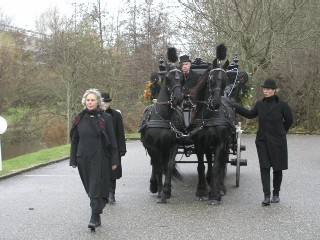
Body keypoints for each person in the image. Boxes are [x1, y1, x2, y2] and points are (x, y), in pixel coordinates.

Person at [229, 78, 293, 206]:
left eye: (268, 89)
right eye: (264, 89)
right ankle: (266, 196)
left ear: (275, 90)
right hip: (262, 140)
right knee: (264, 168)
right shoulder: (260, 104)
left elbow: (289, 121)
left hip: (278, 140)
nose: (265, 91)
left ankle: (276, 194)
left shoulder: (283, 105)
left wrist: (281, 132)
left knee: (277, 168)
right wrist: (235, 106)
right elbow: (250, 114)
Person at [70, 88, 119, 230]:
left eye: (92, 100)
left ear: (98, 102)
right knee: (90, 188)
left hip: (101, 158)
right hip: (83, 158)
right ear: (84, 101)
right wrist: (73, 159)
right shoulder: (78, 118)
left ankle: (94, 216)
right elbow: (74, 140)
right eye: (88, 100)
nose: (90, 102)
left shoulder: (106, 118)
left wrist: (114, 160)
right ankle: (96, 214)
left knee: (96, 187)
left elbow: (113, 141)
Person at [101, 92, 126, 204]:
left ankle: (111, 194)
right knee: (101, 172)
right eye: (103, 102)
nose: (105, 104)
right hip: (100, 148)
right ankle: (103, 193)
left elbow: (120, 133)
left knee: (113, 171)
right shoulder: (97, 115)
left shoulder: (116, 115)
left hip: (113, 148)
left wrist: (122, 149)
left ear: (109, 103)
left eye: (106, 102)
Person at [179, 55, 200, 127]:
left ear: (190, 65)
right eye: (183, 64)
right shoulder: (177, 76)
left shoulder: (196, 76)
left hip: (192, 103)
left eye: (186, 64)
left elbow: (198, 89)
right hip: (179, 102)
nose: (184, 66)